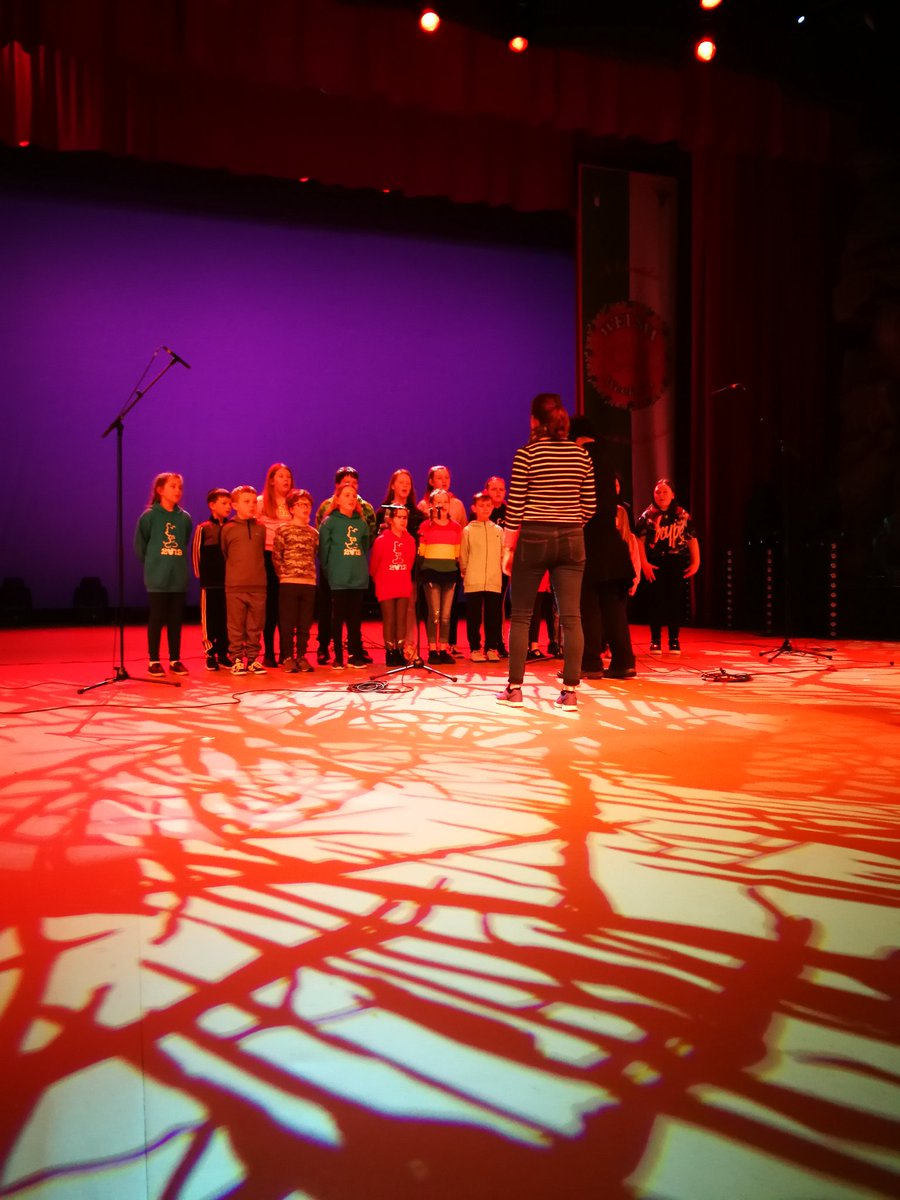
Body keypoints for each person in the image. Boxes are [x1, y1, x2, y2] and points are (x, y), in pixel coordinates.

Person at [497, 393, 596, 714]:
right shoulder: (581, 455)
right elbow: (590, 506)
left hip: (534, 537)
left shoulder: (527, 454)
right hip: (572, 538)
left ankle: (514, 689)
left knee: (521, 615)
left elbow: (516, 507)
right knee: (571, 616)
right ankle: (570, 692)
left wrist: (508, 547)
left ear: (534, 420)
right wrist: (570, 523)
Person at [569, 415, 638, 680]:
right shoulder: (607, 456)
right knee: (614, 606)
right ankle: (624, 662)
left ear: (575, 437)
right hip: (611, 540)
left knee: (587, 604)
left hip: (588, 539)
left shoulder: (580, 457)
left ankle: (590, 662)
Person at [315, 467, 376, 665]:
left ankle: (355, 653)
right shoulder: (329, 522)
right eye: (347, 495)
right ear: (338, 499)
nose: (351, 499)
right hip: (338, 578)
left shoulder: (362, 523)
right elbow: (324, 551)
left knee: (354, 618)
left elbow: (364, 545)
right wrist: (330, 572)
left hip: (357, 577)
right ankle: (338, 656)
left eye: (354, 496)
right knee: (337, 616)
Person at [134, 472, 193, 677]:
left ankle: (175, 659)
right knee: (157, 619)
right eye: (172, 486)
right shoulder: (149, 517)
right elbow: (140, 547)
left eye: (180, 487)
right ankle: (154, 660)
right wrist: (154, 566)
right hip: (157, 579)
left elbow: (183, 542)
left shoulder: (184, 518)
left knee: (175, 620)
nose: (177, 490)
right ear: (160, 490)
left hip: (178, 578)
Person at [635, 478, 700, 653]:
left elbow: (691, 538)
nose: (661, 495)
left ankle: (674, 640)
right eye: (658, 492)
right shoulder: (647, 516)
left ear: (672, 495)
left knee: (675, 600)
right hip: (655, 562)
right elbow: (639, 540)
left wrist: (696, 561)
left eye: (665, 492)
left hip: (676, 561)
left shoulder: (682, 515)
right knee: (655, 600)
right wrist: (644, 563)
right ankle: (655, 639)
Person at [418, 465, 466, 652]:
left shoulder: (456, 527)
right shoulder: (426, 525)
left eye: (445, 502)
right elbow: (422, 551)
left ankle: (445, 647)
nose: (442, 505)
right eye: (438, 502)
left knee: (446, 615)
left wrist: (461, 568)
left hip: (450, 573)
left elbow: (457, 552)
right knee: (435, 613)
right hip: (431, 573)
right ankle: (432, 648)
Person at [222, 485, 268, 675]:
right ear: (235, 505)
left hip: (258, 586)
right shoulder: (228, 529)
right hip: (235, 586)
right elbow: (225, 553)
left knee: (255, 626)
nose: (251, 505)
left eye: (254, 502)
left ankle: (253, 659)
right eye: (246, 502)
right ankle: (237, 659)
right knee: (236, 626)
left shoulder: (261, 528)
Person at [272, 488, 318, 673]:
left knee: (305, 623)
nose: (305, 508)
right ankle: (288, 657)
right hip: (289, 582)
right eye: (300, 505)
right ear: (291, 509)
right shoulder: (283, 530)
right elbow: (277, 556)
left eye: (307, 505)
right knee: (287, 622)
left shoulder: (313, 533)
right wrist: (284, 575)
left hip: (308, 582)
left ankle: (301, 656)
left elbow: (314, 554)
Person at [191, 487, 233, 671]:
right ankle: (210, 653)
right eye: (224, 503)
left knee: (226, 619)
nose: (228, 507)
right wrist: (201, 577)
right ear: (212, 505)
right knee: (209, 619)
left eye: (230, 503)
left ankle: (223, 652)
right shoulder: (203, 528)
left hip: (228, 583)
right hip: (210, 583)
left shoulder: (231, 527)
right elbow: (196, 553)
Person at [257, 462, 294, 667]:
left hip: (289, 557)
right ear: (271, 481)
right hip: (268, 556)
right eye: (281, 476)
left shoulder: (294, 502)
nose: (286, 479)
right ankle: (269, 652)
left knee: (286, 608)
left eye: (288, 476)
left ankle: (286, 652)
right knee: (271, 606)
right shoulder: (261, 503)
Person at [369, 504, 416, 665]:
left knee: (401, 619)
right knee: (389, 618)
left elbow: (410, 563)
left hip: (402, 584)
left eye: (405, 517)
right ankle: (390, 651)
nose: (403, 521)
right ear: (391, 520)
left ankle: (400, 650)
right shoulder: (381, 541)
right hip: (385, 585)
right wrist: (380, 579)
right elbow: (374, 565)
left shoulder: (410, 540)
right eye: (399, 517)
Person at [460, 491, 504, 661]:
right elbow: (464, 554)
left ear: (492, 508)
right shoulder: (468, 531)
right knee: (474, 616)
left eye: (488, 506)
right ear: (474, 508)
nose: (485, 509)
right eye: (481, 506)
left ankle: (492, 647)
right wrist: (465, 570)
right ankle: (475, 648)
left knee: (493, 615)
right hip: (474, 578)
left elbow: (502, 553)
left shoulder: (498, 530)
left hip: (494, 578)